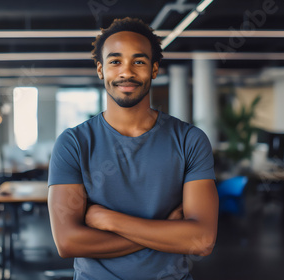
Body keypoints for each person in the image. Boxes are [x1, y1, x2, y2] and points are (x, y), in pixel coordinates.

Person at [48, 17, 218, 280]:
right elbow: (68, 242)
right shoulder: (73, 143)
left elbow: (202, 240)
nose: (126, 72)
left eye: (138, 61)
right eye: (115, 61)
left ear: (154, 69)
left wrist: (110, 221)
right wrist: (167, 231)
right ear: (100, 69)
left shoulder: (190, 140)